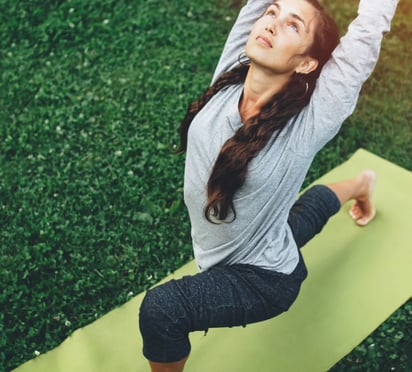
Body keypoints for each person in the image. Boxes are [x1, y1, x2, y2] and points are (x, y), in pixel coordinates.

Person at [139, 0, 399, 370]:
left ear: (306, 63)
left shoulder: (308, 123)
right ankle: (361, 182)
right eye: (272, 12)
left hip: (262, 280)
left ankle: (358, 185)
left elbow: (367, 34)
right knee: (298, 218)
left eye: (293, 26)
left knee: (163, 310)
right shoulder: (232, 72)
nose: (273, 24)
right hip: (265, 238)